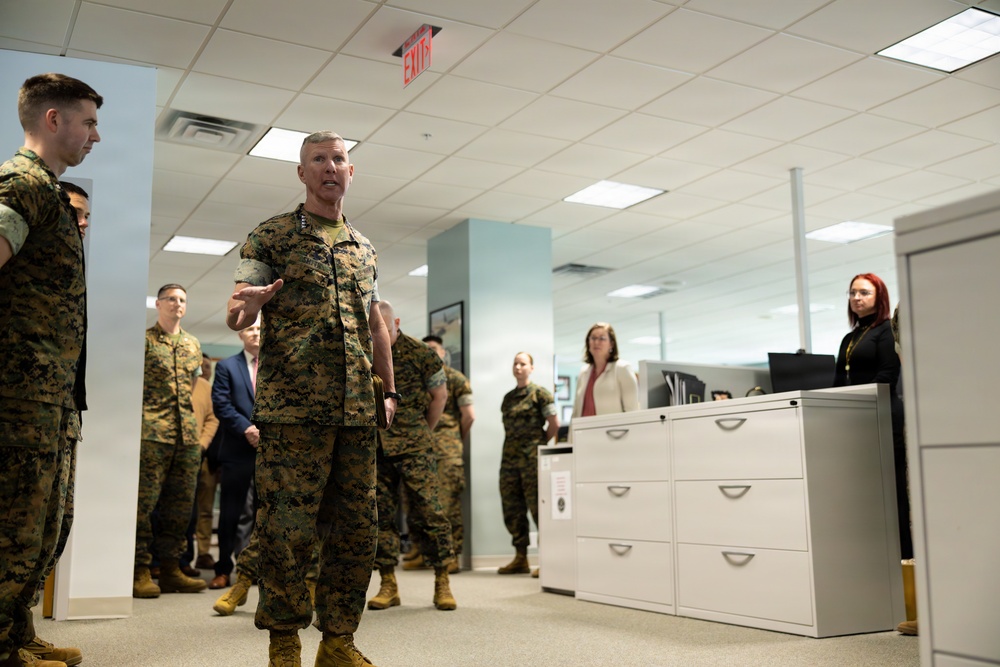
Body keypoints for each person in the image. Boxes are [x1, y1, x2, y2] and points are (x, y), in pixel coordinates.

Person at [225, 130, 397, 667]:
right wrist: (248, 308)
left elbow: (375, 328)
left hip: (355, 413)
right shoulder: (271, 237)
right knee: (286, 530)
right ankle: (284, 642)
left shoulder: (363, 248)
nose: (329, 167)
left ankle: (338, 640)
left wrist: (389, 391)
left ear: (351, 172)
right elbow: (237, 313)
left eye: (338, 159)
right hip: (293, 412)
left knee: (356, 530)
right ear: (301, 174)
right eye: (317, 159)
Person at [0, 72, 102, 667]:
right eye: (88, 122)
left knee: (42, 528)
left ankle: (16, 633)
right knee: (14, 524)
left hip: (51, 397)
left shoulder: (53, 195)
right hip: (19, 395)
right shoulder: (23, 184)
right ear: (53, 120)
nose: (96, 135)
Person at [367, 302, 457, 612]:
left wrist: (422, 432)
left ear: (397, 323)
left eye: (384, 329)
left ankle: (442, 579)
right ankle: (388, 582)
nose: (378, 335)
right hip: (378, 447)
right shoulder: (366, 353)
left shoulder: (421, 354)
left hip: (415, 445)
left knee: (429, 512)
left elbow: (439, 397)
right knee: (381, 517)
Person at [133, 284, 208, 599]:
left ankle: (172, 569)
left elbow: (194, 384)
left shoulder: (193, 344)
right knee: (144, 505)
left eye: (183, 300)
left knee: (180, 508)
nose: (178, 304)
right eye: (172, 299)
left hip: (186, 436)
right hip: (152, 433)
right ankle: (139, 569)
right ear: (158, 304)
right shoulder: (146, 341)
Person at [833, 274, 911, 565]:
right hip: (853, 419)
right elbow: (838, 381)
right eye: (852, 292)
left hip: (881, 416)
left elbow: (887, 378)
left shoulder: (886, 332)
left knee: (890, 490)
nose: (856, 298)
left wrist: (853, 403)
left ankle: (903, 558)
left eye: (864, 292)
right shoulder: (849, 338)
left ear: (879, 297)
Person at [403, 336, 474, 574]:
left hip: (446, 451)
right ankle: (424, 552)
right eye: (426, 350)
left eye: (433, 349)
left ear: (443, 352)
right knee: (417, 503)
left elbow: (469, 416)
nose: (430, 353)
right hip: (419, 448)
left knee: (446, 505)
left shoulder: (456, 379)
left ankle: (451, 555)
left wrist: (454, 441)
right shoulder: (419, 379)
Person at [209, 320, 261, 591]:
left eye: (260, 328)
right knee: (230, 513)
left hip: (270, 453)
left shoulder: (278, 367)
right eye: (251, 329)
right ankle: (223, 570)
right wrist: (247, 428)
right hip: (237, 450)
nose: (256, 333)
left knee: (265, 514)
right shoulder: (228, 366)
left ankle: (257, 569)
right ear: (241, 334)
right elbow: (221, 403)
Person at [498, 353, 559, 576]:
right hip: (509, 460)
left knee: (538, 508)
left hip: (532, 460)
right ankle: (520, 557)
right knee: (512, 508)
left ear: (531, 368)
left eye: (523, 363)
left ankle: (547, 560)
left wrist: (540, 444)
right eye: (515, 363)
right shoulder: (508, 398)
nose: (518, 367)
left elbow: (554, 424)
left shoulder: (540, 394)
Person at [184, 354, 220, 573]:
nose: (205, 370)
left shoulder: (209, 389)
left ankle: (202, 553)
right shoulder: (181, 384)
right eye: (200, 366)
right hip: (180, 453)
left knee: (203, 509)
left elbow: (213, 420)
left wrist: (202, 446)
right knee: (184, 509)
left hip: (207, 458)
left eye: (208, 366)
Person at [570, 323, 640, 419]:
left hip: (613, 432)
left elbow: (632, 411)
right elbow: (576, 412)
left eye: (602, 338)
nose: (596, 342)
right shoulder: (584, 372)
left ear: (611, 344)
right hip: (584, 431)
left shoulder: (622, 368)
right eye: (593, 338)